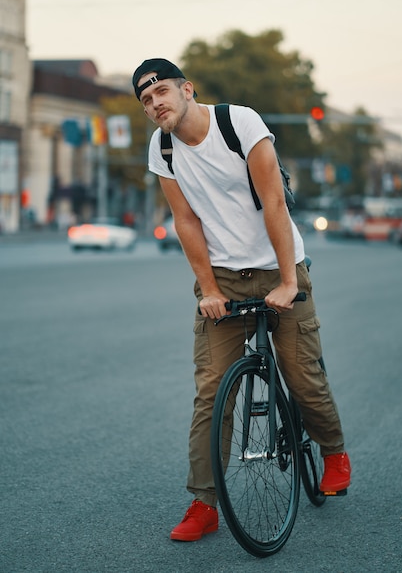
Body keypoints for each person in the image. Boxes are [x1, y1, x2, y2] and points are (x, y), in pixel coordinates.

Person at [132, 58, 351, 542]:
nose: (155, 105)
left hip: (279, 265)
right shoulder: (162, 147)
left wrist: (290, 280)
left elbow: (273, 200)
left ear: (187, 89)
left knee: (302, 375)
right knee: (210, 393)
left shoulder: (239, 121)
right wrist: (209, 290)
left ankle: (333, 450)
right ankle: (204, 503)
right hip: (225, 279)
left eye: (162, 92)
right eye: (146, 100)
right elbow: (185, 221)